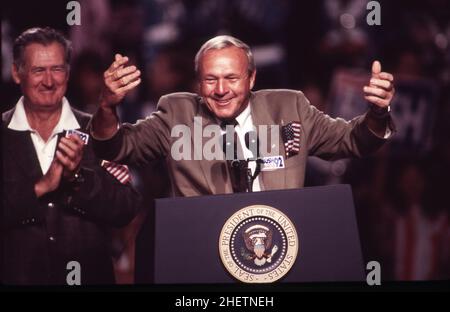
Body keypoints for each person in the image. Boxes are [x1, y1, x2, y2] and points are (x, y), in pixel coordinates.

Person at [91, 35, 395, 197]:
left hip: (282, 248)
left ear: (251, 79)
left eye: (232, 78)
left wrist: (378, 112)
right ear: (199, 83)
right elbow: (117, 147)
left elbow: (354, 141)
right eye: (211, 80)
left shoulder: (290, 108)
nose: (221, 89)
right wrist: (106, 107)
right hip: (203, 248)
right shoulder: (177, 114)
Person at [1, 27, 141, 285]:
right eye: (38, 70)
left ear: (68, 73)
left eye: (57, 69)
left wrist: (77, 178)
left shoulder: (100, 129)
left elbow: (126, 208)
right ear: (16, 73)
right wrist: (41, 187)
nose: (49, 81)